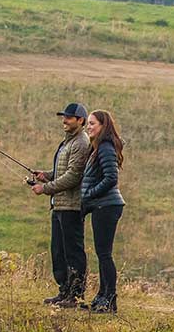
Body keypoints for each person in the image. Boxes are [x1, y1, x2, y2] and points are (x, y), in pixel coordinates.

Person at [31, 103, 92, 307]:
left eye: (69, 117)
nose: (64, 120)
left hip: (72, 207)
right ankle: (64, 291)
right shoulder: (68, 142)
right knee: (58, 251)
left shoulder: (81, 143)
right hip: (59, 205)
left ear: (80, 120)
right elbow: (63, 171)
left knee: (72, 252)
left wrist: (45, 188)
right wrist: (45, 175)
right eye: (64, 117)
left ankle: (74, 295)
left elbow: (73, 176)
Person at [80, 110, 126, 314]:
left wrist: (89, 194)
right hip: (103, 205)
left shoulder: (105, 147)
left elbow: (110, 178)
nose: (88, 127)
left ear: (102, 126)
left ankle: (109, 298)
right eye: (88, 123)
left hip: (107, 206)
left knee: (105, 254)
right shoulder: (98, 147)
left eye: (92, 124)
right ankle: (102, 296)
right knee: (102, 253)